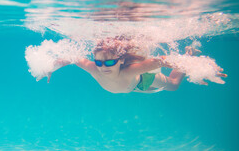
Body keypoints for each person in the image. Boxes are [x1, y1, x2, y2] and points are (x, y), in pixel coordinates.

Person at [45, 37, 227, 93]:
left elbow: (160, 61)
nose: (103, 66)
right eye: (99, 62)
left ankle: (190, 52)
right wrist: (51, 66)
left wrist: (197, 66)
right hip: (131, 87)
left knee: (172, 85)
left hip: (141, 81)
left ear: (121, 60)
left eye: (109, 61)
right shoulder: (93, 67)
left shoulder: (130, 70)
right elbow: (71, 57)